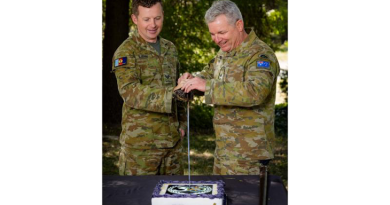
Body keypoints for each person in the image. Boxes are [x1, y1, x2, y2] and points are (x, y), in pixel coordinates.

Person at [178, 0, 280, 175]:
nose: (216, 39)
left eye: (221, 32)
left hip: (249, 155)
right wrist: (192, 80)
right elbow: (208, 74)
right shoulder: (224, 52)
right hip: (224, 151)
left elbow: (255, 92)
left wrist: (207, 86)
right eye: (212, 34)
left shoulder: (260, 55)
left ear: (239, 25)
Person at [112, 0, 186, 176]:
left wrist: (182, 122)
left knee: (174, 199)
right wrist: (172, 94)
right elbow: (129, 91)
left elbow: (178, 88)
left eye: (157, 18)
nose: (153, 25)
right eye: (146, 19)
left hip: (172, 144)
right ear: (135, 19)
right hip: (141, 148)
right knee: (138, 198)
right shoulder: (126, 52)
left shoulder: (170, 48)